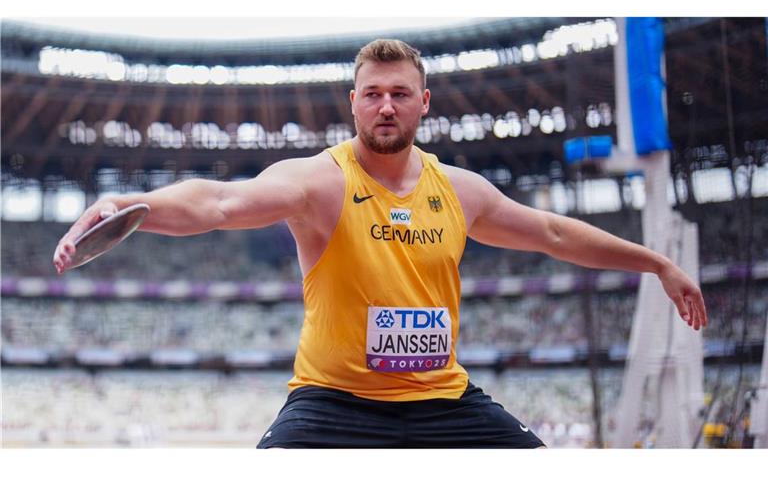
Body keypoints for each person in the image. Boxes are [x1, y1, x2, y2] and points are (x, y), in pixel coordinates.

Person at [53, 39, 708, 448]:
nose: (386, 106)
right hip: (332, 405)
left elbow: (554, 232)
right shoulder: (320, 181)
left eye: (399, 94)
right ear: (353, 104)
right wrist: (126, 205)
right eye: (373, 95)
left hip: (445, 402)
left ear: (424, 104)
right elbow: (220, 203)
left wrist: (657, 263)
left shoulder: (461, 190)